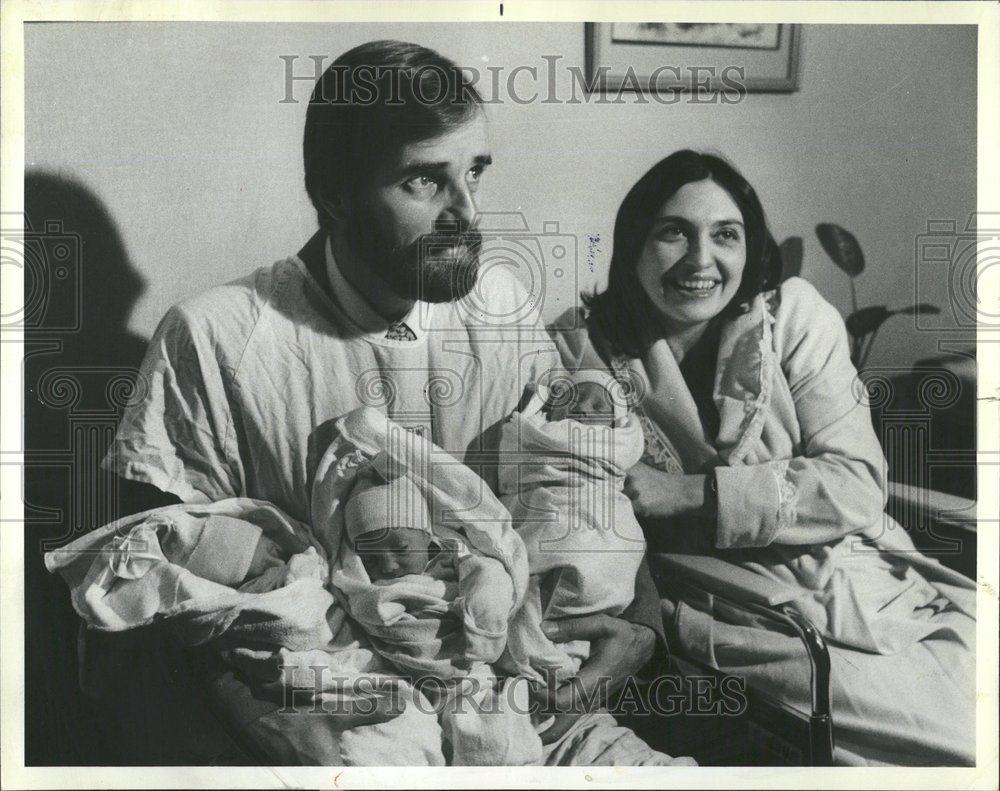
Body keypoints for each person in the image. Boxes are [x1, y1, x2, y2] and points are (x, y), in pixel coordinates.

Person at [83, 40, 669, 765]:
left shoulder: (504, 307)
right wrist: (265, 720)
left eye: (475, 172)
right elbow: (140, 591)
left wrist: (643, 623)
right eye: (425, 182)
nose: (468, 211)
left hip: (532, 714)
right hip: (339, 729)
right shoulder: (215, 339)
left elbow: (580, 481)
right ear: (334, 193)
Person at [550, 149, 977, 766]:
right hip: (728, 608)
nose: (701, 261)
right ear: (632, 245)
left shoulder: (794, 317)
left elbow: (855, 483)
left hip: (857, 579)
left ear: (750, 248)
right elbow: (575, 500)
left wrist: (686, 494)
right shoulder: (580, 348)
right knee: (936, 738)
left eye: (726, 235)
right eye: (673, 232)